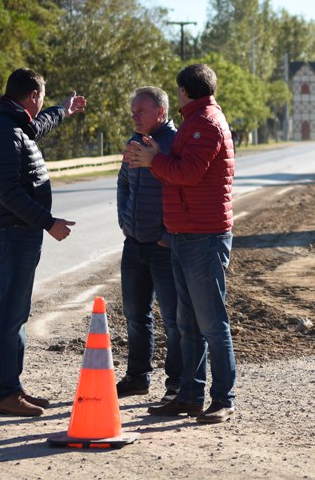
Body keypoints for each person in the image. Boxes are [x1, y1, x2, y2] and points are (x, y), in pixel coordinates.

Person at [124, 63, 236, 424]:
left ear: (184, 92)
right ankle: (189, 395)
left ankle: (223, 399)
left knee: (211, 324)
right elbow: (182, 169)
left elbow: (188, 173)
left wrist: (155, 160)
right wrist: (159, 158)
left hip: (203, 236)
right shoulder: (195, 120)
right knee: (188, 325)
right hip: (185, 234)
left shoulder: (205, 123)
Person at [0, 67, 86, 416]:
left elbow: (38, 126)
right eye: (41, 99)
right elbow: (7, 192)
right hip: (13, 231)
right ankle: (4, 393)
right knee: (10, 313)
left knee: (17, 312)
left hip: (20, 230)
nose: (41, 108)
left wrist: (63, 110)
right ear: (32, 97)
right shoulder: (3, 130)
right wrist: (48, 222)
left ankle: (12, 387)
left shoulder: (14, 122)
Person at [116, 86, 196, 403]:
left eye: (141, 111)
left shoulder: (174, 146)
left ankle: (175, 383)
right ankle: (137, 378)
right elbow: (123, 183)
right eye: (133, 111)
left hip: (164, 246)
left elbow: (183, 188)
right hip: (133, 244)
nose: (134, 117)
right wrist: (124, 220)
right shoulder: (134, 143)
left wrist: (167, 233)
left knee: (175, 321)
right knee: (136, 316)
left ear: (160, 112)